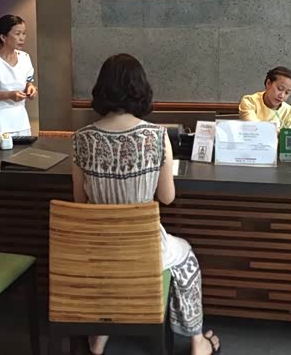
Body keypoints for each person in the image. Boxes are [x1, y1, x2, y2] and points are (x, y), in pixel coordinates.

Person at [72, 54, 221, 355]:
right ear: (141, 89)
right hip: (143, 249)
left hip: (97, 248)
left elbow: (80, 201)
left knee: (112, 270)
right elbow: (167, 197)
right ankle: (197, 342)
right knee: (186, 257)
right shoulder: (156, 136)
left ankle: (99, 335)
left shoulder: (81, 139)